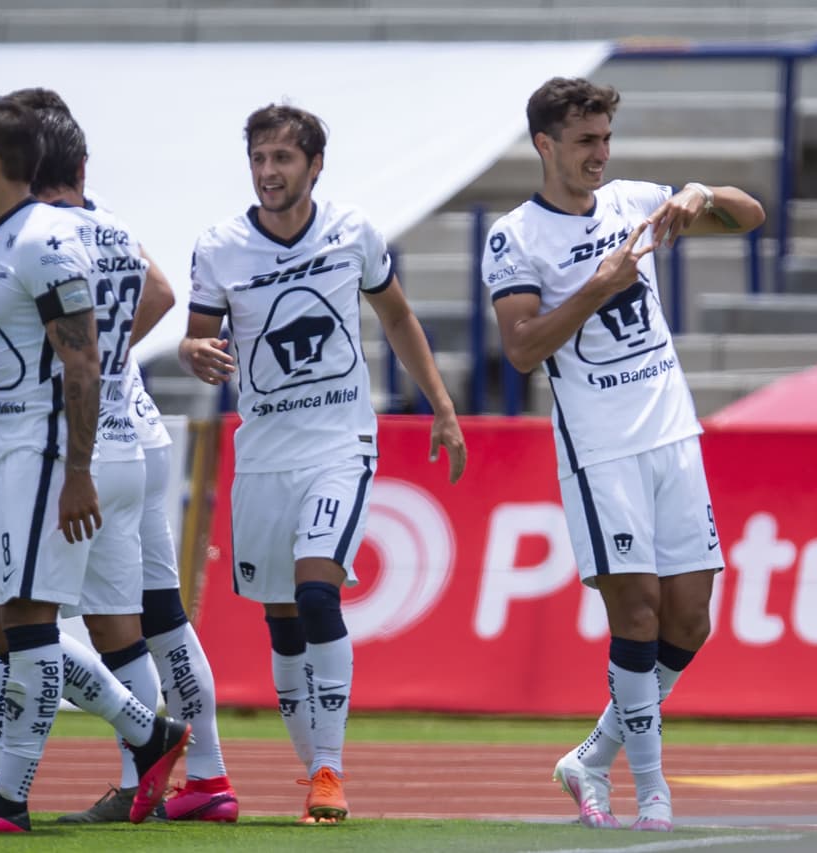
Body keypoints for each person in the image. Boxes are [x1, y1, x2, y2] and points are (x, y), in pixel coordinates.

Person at [481, 77, 765, 832]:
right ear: (546, 145)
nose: (600, 154)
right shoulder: (516, 235)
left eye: (606, 138)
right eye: (584, 141)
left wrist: (699, 193)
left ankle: (590, 759)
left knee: (691, 619)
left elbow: (751, 215)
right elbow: (519, 348)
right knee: (636, 611)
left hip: (673, 435)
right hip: (600, 447)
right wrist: (597, 287)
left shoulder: (635, 202)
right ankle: (654, 795)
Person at [179, 103, 467, 824]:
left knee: (316, 596)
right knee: (281, 621)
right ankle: (315, 769)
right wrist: (193, 351)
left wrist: (441, 403)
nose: (269, 172)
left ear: (314, 165)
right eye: (259, 159)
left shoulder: (352, 232)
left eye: (283, 159)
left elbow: (396, 314)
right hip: (263, 455)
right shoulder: (218, 248)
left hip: (341, 446)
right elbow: (197, 336)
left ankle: (332, 770)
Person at [0, 95, 191, 833]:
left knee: (32, 624)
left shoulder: (48, 240)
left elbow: (85, 361)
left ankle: (10, 794)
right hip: (0, 458)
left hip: (42, 456)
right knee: (0, 626)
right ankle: (147, 730)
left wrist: (77, 469)